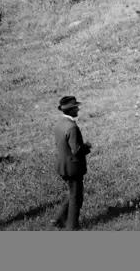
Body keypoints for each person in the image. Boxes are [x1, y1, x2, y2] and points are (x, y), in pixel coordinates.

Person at [53, 95, 92, 230]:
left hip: (63, 165)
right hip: (73, 167)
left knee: (72, 194)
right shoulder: (72, 128)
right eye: (76, 108)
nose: (78, 110)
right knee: (77, 199)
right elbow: (76, 150)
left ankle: (58, 220)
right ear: (70, 111)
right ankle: (72, 227)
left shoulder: (59, 124)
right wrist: (87, 147)